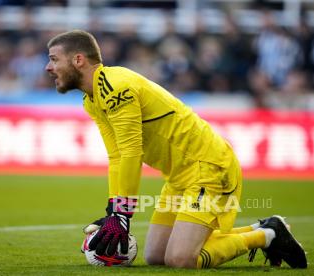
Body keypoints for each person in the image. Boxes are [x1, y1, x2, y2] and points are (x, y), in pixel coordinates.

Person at [45, 30, 307, 269]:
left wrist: (123, 215)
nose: (49, 67)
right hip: (179, 177)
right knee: (157, 257)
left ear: (78, 60)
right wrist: (114, 211)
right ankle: (265, 227)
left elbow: (131, 153)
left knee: (181, 259)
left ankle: (267, 235)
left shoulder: (116, 87)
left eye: (54, 59)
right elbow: (117, 157)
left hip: (209, 167)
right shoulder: (93, 100)